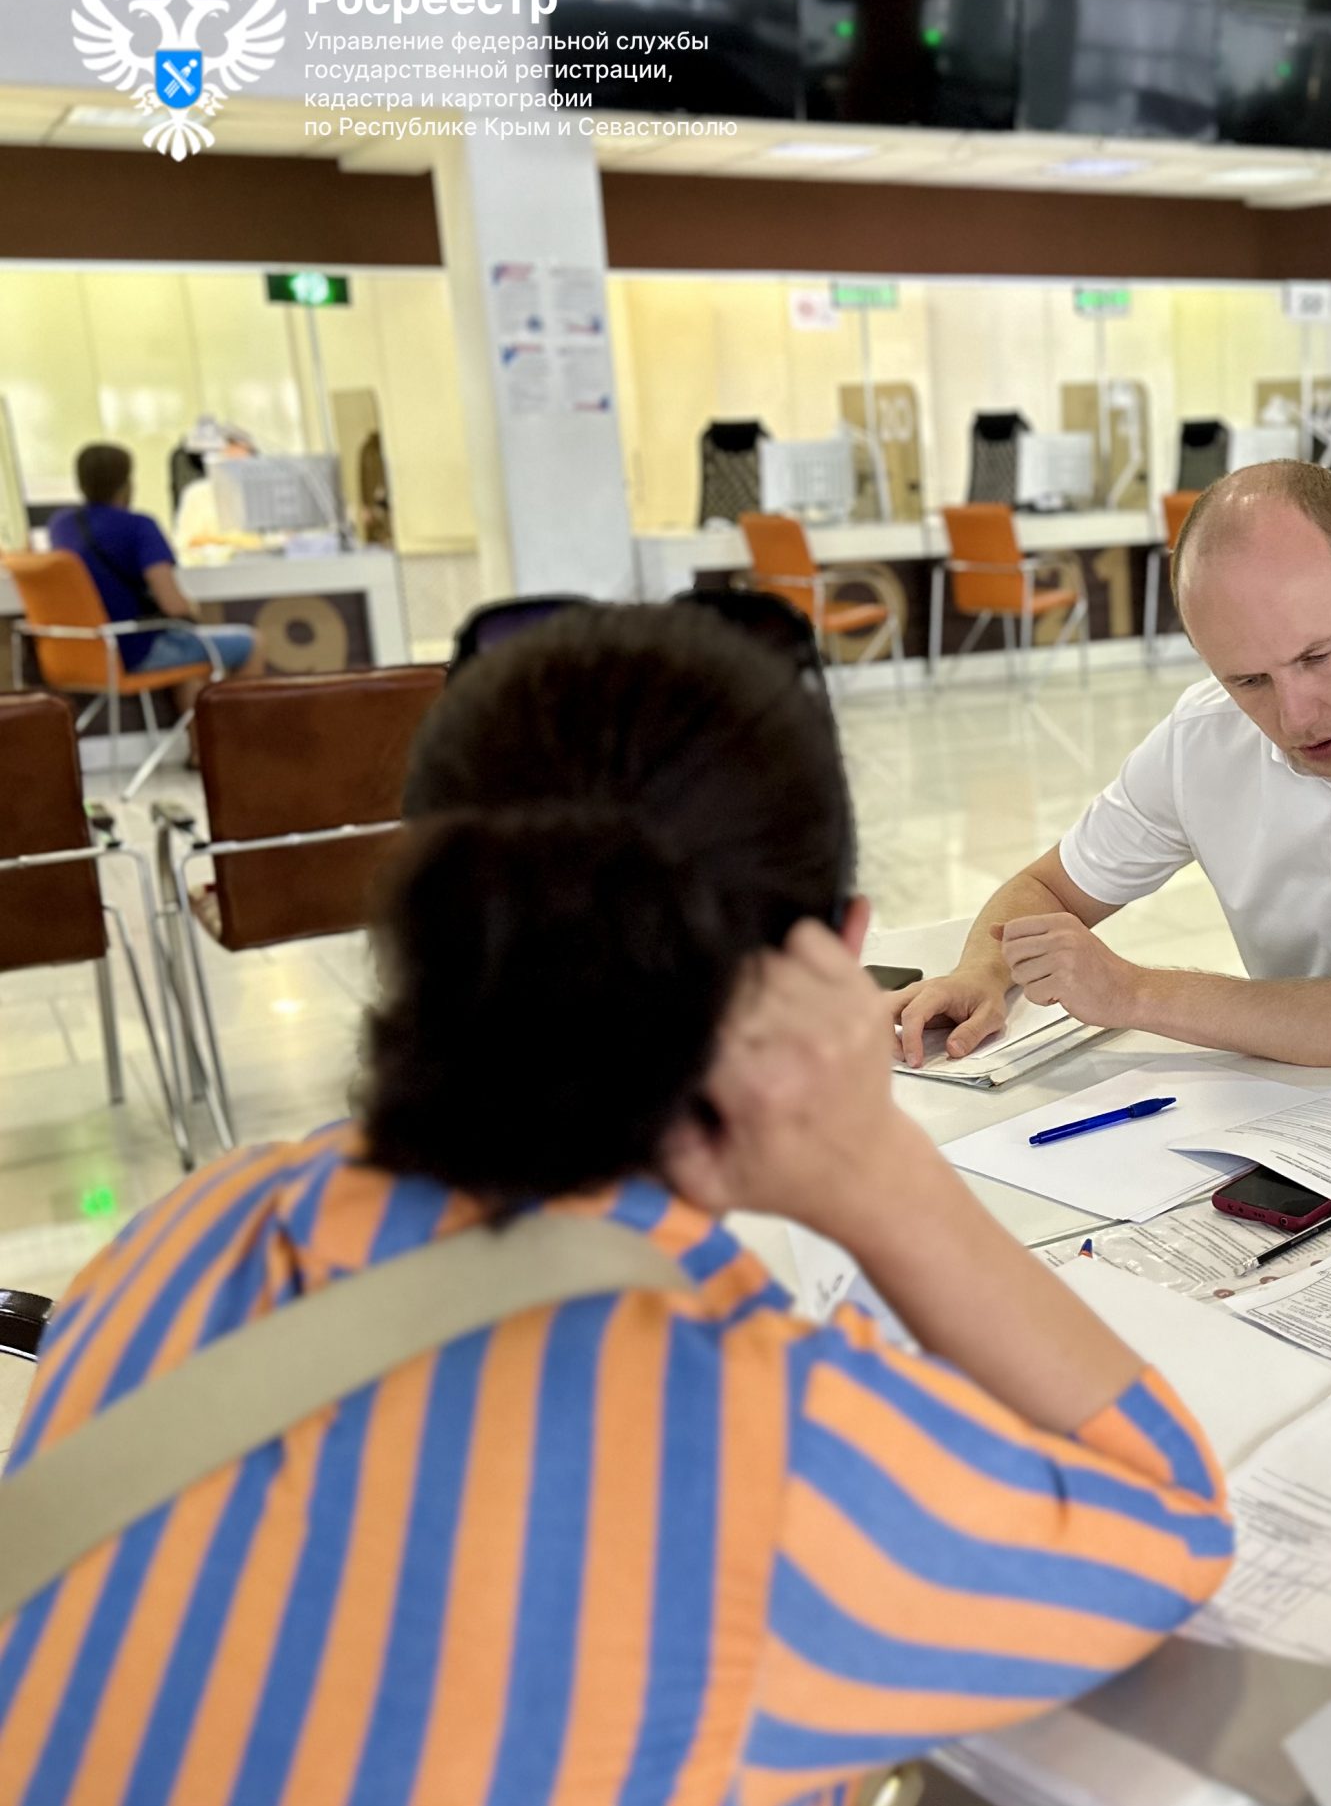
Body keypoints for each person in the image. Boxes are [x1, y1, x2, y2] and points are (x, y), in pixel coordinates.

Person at [0, 607, 1233, 1800]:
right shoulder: (743, 1437)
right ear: (833, 953)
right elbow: (1167, 1518)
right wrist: (879, 1171)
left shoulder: (184, 1231)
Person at [889, 460, 1331, 1141]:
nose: (1296, 716)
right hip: (1305, 1126)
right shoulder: (1204, 736)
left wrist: (1130, 991)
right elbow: (1047, 887)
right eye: (1248, 680)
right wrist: (979, 969)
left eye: (1317, 657)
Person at [48, 441, 263, 715]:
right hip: (133, 652)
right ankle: (235, 739)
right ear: (127, 482)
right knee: (252, 642)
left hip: (73, 654)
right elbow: (173, 604)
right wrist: (192, 610)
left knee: (186, 658)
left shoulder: (61, 525)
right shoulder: (139, 527)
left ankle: (202, 748)